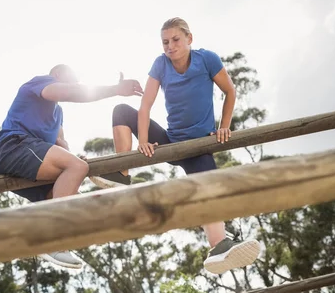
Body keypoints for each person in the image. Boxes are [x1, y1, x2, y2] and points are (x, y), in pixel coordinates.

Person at [91, 17, 262, 275]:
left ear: (189, 39)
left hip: (198, 147)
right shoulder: (161, 64)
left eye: (175, 40)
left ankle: (219, 245)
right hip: (170, 142)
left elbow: (230, 91)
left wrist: (225, 125)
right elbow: (145, 105)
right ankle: (121, 173)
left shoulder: (207, 60)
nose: (170, 46)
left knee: (206, 185)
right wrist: (145, 140)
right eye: (165, 42)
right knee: (121, 111)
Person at [0, 64, 143, 269]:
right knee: (77, 168)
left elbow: (60, 144)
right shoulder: (40, 82)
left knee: (74, 196)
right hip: (14, 147)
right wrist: (115, 89)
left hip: (32, 159)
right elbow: (72, 92)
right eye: (71, 78)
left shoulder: (58, 113)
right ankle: (54, 241)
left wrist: (73, 158)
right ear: (56, 75)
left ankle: (40, 238)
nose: (75, 83)